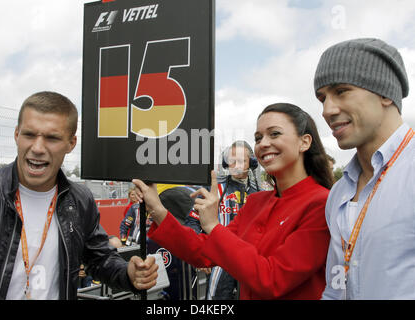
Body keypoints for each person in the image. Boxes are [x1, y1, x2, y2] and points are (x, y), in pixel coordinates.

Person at [0, 91, 158, 300]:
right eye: (29, 134)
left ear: (71, 143)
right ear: (16, 135)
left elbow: (99, 260)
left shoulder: (80, 200)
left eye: (52, 138)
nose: (37, 148)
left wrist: (128, 274)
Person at [133, 103, 334, 299]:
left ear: (304, 142)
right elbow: (204, 252)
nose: (263, 143)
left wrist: (212, 225)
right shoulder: (255, 202)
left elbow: (271, 279)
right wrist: (158, 210)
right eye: (258, 137)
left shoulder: (321, 204)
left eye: (274, 134)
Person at [314, 38, 415, 299]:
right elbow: (335, 289)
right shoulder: (339, 192)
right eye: (322, 97)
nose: (327, 110)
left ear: (384, 94)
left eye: (342, 91)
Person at [185, 141, 259, 300]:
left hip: (250, 263)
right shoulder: (214, 190)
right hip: (219, 262)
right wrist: (201, 252)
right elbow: (192, 222)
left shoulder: (259, 193)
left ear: (251, 163)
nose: (236, 165)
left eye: (241, 160)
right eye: (232, 160)